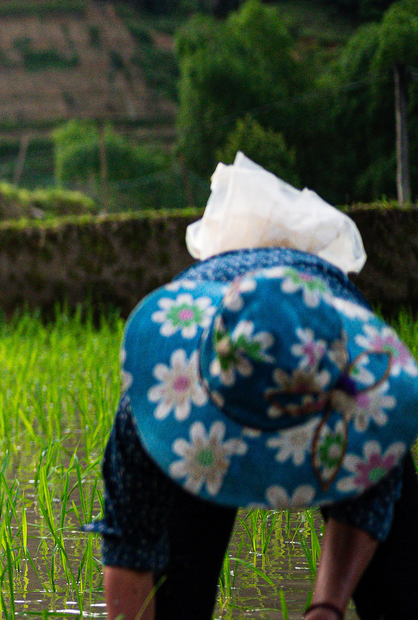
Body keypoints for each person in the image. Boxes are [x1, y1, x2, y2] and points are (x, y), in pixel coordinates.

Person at [86, 156, 417, 619]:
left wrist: (326, 607)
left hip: (321, 352)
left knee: (400, 593)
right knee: (176, 595)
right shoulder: (159, 405)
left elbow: (368, 501)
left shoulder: (368, 395)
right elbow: (130, 548)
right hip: (214, 381)